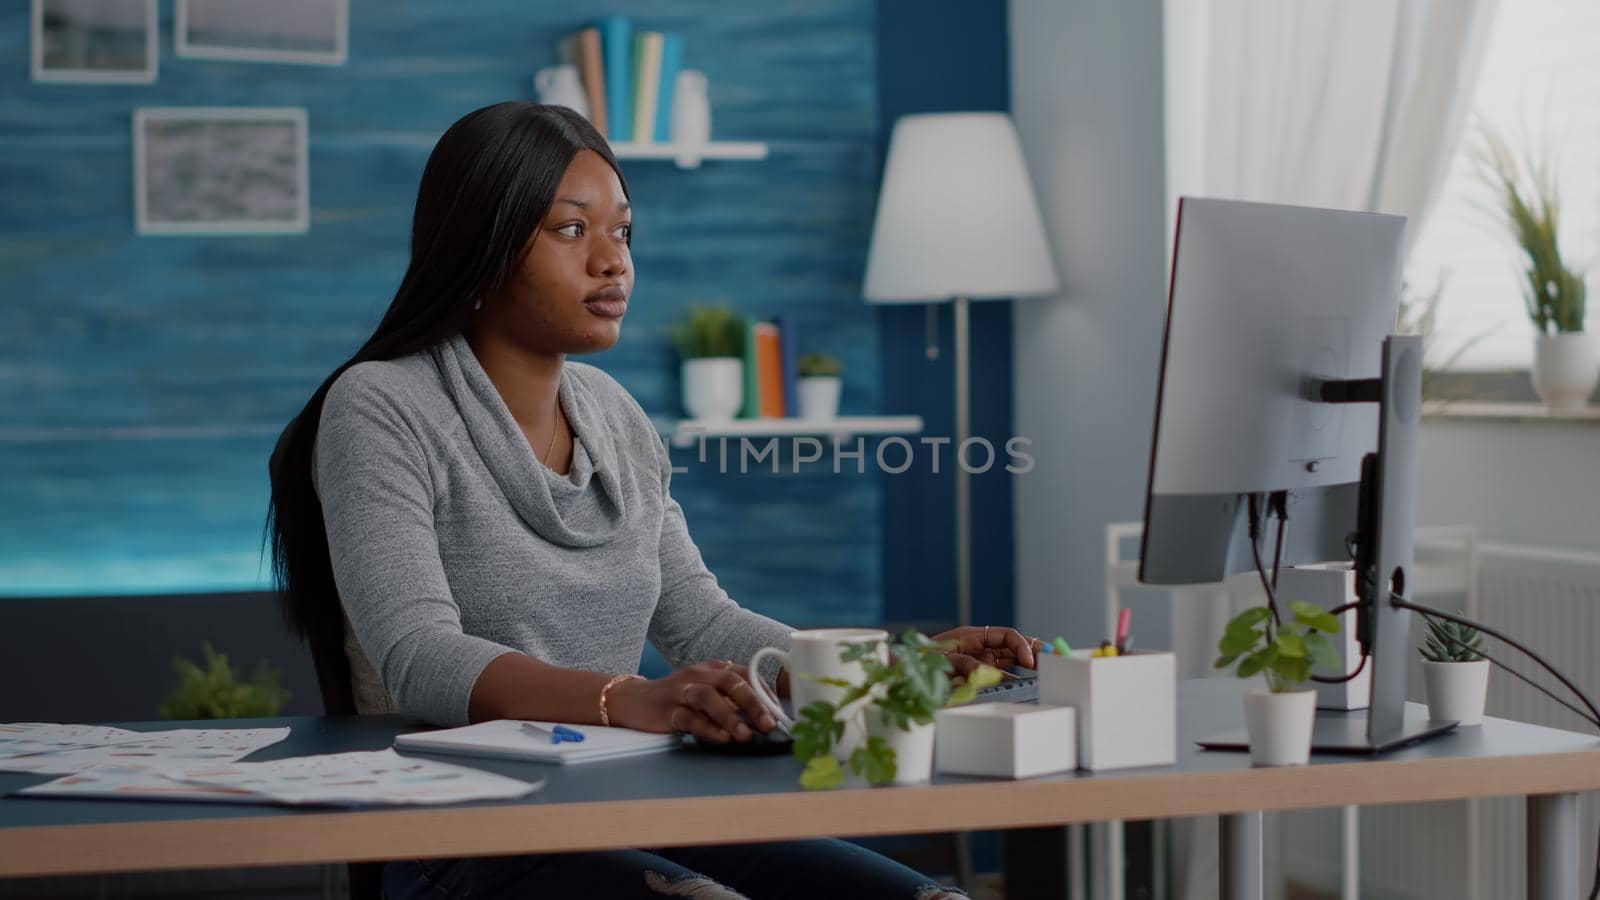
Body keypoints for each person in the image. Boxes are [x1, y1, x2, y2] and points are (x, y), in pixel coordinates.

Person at [267, 102, 1042, 900]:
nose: (614, 262)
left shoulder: (616, 414)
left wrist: (887, 668)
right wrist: (631, 699)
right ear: (482, 245)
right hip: (462, 836)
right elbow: (421, 654)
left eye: (624, 232)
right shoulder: (380, 406)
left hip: (632, 809)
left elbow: (702, 621)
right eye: (573, 230)